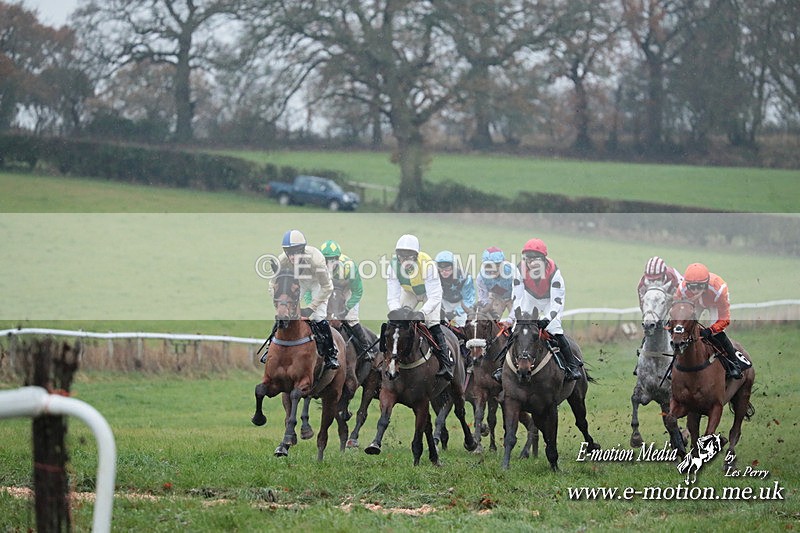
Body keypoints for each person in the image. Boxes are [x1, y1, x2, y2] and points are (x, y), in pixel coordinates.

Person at [507, 238, 582, 382]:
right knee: (517, 329)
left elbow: (556, 302)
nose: (531, 262)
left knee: (554, 329)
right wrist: (518, 315)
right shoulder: (519, 269)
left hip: (550, 300)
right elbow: (517, 296)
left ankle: (572, 366)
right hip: (530, 297)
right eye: (528, 258)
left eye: (535, 259)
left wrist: (546, 319)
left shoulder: (555, 273)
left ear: (543, 259)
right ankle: (502, 366)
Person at [386, 234, 453, 381]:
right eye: (402, 257)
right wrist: (398, 312)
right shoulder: (392, 266)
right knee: (395, 322)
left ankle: (446, 364)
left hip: (429, 295)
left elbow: (435, 296)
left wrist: (422, 313)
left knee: (432, 324)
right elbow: (392, 297)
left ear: (416, 256)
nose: (405, 261)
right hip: (409, 292)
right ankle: (387, 359)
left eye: (409, 257)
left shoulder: (428, 264)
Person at [271, 229, 339, 370]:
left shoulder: (316, 260)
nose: (292, 257)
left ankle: (331, 354)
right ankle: (269, 348)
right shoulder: (282, 260)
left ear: (302, 249)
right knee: (283, 313)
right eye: (289, 253)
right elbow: (273, 286)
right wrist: (280, 306)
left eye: (296, 252)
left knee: (318, 317)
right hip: (298, 283)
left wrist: (311, 307)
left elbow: (327, 287)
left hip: (318, 283)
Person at [674, 263, 747, 379]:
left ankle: (734, 364)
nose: (695, 290)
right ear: (686, 284)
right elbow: (677, 310)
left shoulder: (719, 290)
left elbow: (724, 319)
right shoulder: (682, 289)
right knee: (683, 330)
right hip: (694, 303)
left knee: (716, 334)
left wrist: (710, 330)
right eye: (692, 287)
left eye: (699, 286)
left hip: (714, 303)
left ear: (706, 284)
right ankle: (673, 364)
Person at [316, 239, 376, 360]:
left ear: (338, 258)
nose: (329, 264)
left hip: (346, 290)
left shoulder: (350, 267)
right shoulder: (317, 267)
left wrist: (347, 308)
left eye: (333, 260)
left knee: (351, 318)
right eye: (326, 260)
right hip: (327, 290)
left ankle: (366, 349)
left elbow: (357, 291)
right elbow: (309, 291)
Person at [634, 256, 683, 374]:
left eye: (656, 278)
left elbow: (681, 302)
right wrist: (651, 318)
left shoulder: (674, 279)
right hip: (656, 306)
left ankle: (682, 360)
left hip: (678, 300)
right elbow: (643, 305)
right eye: (650, 279)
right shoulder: (642, 284)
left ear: (663, 274)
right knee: (650, 324)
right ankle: (641, 360)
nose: (652, 281)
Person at [435, 250, 476, 328]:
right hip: (443, 301)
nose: (444, 272)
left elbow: (469, 300)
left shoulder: (465, 277)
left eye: (447, 268)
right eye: (441, 269)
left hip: (461, 303)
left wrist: (455, 312)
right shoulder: (434, 276)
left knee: (463, 325)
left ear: (453, 266)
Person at [475, 246, 515, 317]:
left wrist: (511, 318)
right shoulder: (481, 277)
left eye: (497, 265)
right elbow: (483, 299)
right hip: (496, 297)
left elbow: (520, 298)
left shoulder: (513, 272)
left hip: (513, 299)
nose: (493, 269)